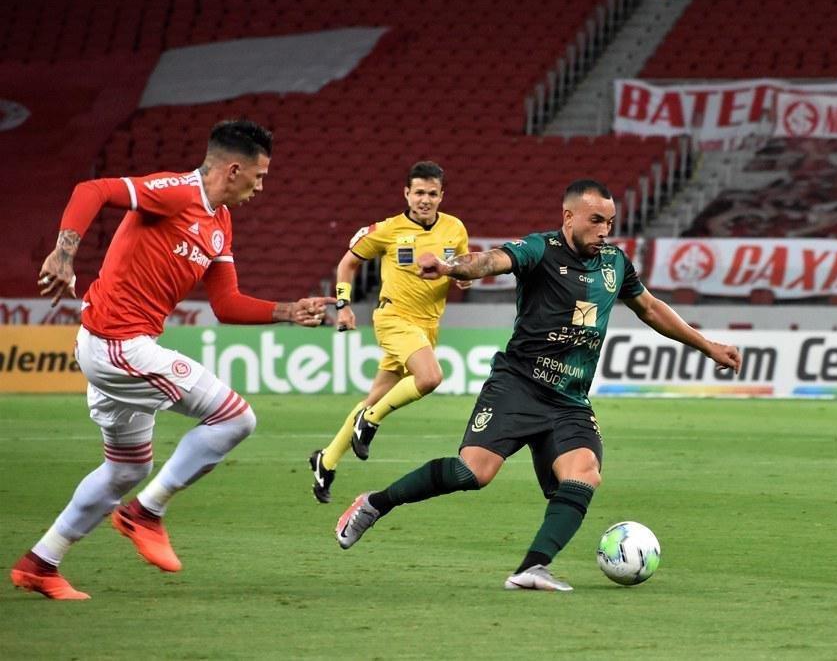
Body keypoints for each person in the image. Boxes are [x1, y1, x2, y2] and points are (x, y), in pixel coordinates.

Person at [333, 179, 741, 591]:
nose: (605, 230)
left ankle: (532, 568)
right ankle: (374, 504)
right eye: (596, 220)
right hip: (518, 386)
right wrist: (452, 267)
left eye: (610, 222)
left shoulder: (614, 263)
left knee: (584, 473)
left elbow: (650, 308)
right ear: (568, 217)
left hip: (569, 400)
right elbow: (491, 260)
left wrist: (707, 346)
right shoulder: (540, 249)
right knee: (473, 472)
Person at [10, 119, 333, 600]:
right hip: (118, 344)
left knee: (125, 469)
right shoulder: (177, 193)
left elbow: (226, 305)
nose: (261, 187)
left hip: (116, 348)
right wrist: (63, 254)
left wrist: (288, 311)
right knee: (235, 418)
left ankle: (41, 563)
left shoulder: (220, 223)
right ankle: (145, 512)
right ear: (234, 169)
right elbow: (92, 189)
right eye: (260, 176)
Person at [308, 161, 469, 503]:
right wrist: (343, 305)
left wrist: (461, 275)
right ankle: (370, 420)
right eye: (419, 193)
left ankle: (327, 460)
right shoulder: (387, 229)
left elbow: (464, 270)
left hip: (428, 326)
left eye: (432, 193)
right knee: (429, 378)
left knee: (376, 395)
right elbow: (347, 263)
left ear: (442, 196)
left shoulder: (455, 229)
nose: (425, 199)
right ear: (406, 194)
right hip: (394, 317)